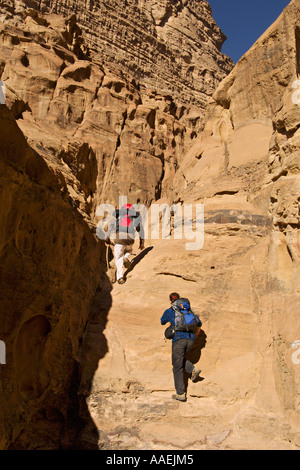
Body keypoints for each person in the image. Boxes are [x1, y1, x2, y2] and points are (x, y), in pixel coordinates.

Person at [161, 292, 202, 402]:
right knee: (178, 359)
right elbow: (199, 323)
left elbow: (162, 321)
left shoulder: (170, 311)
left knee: (177, 366)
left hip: (179, 340)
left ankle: (181, 393)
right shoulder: (188, 310)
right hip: (191, 339)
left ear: (171, 301)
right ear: (180, 299)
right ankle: (191, 369)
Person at [105, 203, 144, 284]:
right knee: (128, 251)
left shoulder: (118, 214)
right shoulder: (134, 216)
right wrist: (141, 242)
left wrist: (107, 239)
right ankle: (126, 257)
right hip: (130, 238)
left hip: (119, 237)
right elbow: (140, 229)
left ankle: (121, 278)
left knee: (118, 258)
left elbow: (110, 225)